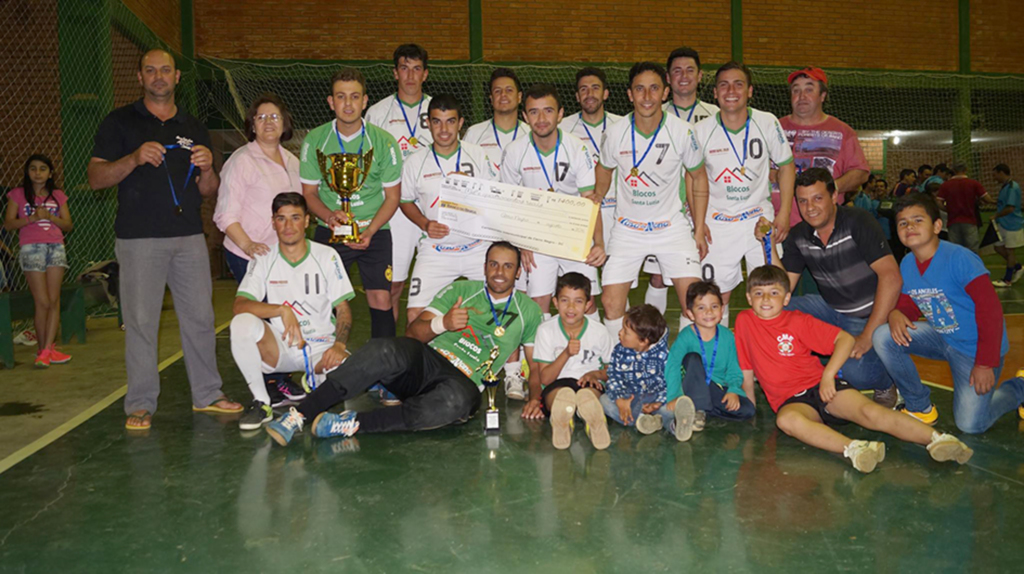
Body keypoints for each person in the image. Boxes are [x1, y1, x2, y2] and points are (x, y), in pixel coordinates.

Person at [88, 49, 242, 430]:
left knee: (201, 318)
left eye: (166, 70)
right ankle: (140, 403)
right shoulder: (119, 122)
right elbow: (96, 178)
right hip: (139, 239)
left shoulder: (192, 126)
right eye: (151, 70)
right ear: (140, 77)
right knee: (141, 322)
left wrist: (208, 168)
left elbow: (209, 191)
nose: (159, 76)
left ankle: (207, 394)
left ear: (176, 78)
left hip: (188, 236)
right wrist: (134, 158)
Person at [265, 242, 544, 445]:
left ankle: (350, 423)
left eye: (508, 266)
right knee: (385, 349)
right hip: (427, 364)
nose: (499, 271)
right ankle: (300, 414)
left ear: (518, 272)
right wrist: (442, 324)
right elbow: (413, 334)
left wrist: (535, 398)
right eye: (493, 264)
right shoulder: (461, 290)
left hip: (464, 382)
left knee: (454, 403)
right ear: (484, 267)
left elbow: (534, 365)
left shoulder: (528, 311)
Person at [735, 265, 974, 473]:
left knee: (869, 413)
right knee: (787, 422)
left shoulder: (798, 321)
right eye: (759, 293)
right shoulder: (744, 322)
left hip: (821, 387)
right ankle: (855, 449)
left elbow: (845, 340)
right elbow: (746, 367)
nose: (766, 299)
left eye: (774, 293)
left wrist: (828, 376)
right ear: (748, 297)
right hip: (791, 400)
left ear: (787, 298)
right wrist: (750, 406)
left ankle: (938, 439)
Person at [872, 193, 1024, 433]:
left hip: (975, 348)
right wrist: (897, 313)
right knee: (883, 336)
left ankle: (1020, 387)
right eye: (903, 223)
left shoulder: (960, 258)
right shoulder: (908, 263)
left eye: (917, 220)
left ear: (937, 226)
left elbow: (990, 311)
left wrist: (985, 363)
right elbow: (911, 300)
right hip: (943, 337)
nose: (909, 226)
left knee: (971, 425)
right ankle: (919, 406)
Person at [757, 168, 902, 405]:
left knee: (856, 374)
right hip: (830, 309)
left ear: (834, 196)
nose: (810, 207)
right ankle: (791, 369)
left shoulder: (858, 221)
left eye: (818, 198)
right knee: (772, 308)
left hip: (866, 315)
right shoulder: (799, 235)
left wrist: (866, 336)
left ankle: (886, 381)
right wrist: (768, 243)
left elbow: (891, 277)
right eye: (803, 201)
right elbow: (781, 290)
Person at [591, 61, 709, 339]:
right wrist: (599, 192)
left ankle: (691, 361)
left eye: (654, 88)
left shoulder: (683, 131)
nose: (646, 96)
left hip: (671, 227)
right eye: (639, 89)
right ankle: (620, 363)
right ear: (630, 94)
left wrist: (700, 228)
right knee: (610, 302)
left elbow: (699, 176)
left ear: (665, 92)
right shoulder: (616, 132)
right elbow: (605, 169)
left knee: (694, 302)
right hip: (628, 228)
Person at [230, 193, 355, 430]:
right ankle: (261, 402)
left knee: (348, 374)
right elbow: (240, 305)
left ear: (307, 221)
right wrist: (281, 310)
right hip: (280, 347)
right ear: (273, 222)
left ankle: (314, 379)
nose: (288, 226)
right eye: (281, 219)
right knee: (242, 323)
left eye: (295, 218)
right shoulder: (263, 258)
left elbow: (343, 309)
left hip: (320, 347)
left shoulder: (327, 256)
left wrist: (339, 345)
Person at [300, 67, 402, 340]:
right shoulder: (315, 140)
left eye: (354, 97)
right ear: (331, 102)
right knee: (325, 302)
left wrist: (369, 231)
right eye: (341, 97)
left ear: (365, 101)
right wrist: (330, 217)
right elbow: (309, 193)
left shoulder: (384, 142)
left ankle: (385, 369)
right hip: (329, 230)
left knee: (382, 299)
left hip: (375, 230)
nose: (348, 104)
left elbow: (393, 197)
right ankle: (327, 364)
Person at [694, 61, 796, 326]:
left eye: (738, 84)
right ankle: (716, 357)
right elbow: (692, 177)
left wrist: (783, 213)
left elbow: (786, 165)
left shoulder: (766, 121)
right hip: (718, 224)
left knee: (769, 292)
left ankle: (768, 360)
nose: (731, 90)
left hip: (758, 221)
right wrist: (698, 222)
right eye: (724, 85)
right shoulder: (701, 130)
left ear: (750, 91)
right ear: (714, 93)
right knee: (716, 297)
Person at [500, 83, 606, 319]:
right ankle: (539, 354)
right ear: (525, 116)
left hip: (574, 233)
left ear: (560, 114)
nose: (541, 118)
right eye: (534, 112)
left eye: (548, 111)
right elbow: (509, 203)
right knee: (537, 305)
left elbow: (590, 202)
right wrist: (521, 241)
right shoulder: (515, 151)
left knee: (585, 302)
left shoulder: (577, 149)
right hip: (536, 236)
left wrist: (599, 243)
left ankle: (592, 353)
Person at [400, 94, 498, 324]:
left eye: (450, 121)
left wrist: (471, 187)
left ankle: (502, 360)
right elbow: (404, 201)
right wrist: (425, 224)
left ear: (461, 123)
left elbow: (495, 199)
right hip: (437, 251)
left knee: (497, 311)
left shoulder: (478, 155)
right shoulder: (415, 162)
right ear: (428, 123)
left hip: (477, 249)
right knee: (415, 315)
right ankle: (424, 361)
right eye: (437, 121)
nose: (444, 129)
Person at [365, 44, 433, 325]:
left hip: (432, 209)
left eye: (416, 69)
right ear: (395, 73)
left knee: (432, 291)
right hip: (395, 212)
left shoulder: (438, 109)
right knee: (394, 287)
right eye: (404, 68)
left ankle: (426, 357)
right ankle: (392, 354)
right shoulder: (377, 114)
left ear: (425, 74)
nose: (410, 76)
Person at [214, 93, 300, 283]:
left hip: (283, 256)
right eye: (261, 117)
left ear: (284, 123)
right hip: (248, 256)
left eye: (274, 116)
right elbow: (225, 215)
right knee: (260, 311)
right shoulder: (241, 161)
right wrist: (248, 245)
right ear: (253, 126)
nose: (268, 121)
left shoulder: (294, 162)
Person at [775, 66, 870, 224]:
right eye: (796, 90)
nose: (802, 96)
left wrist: (829, 188)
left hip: (822, 228)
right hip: (775, 226)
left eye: (809, 90)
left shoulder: (843, 132)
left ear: (823, 95)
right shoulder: (772, 128)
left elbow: (860, 173)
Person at [3, 154, 73, 367]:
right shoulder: (17, 195)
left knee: (53, 300)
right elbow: (8, 224)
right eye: (33, 168)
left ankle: (47, 349)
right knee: (42, 301)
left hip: (55, 247)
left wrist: (51, 217)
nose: (38, 172)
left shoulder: (58, 196)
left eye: (43, 168)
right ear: (27, 172)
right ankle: (43, 349)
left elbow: (68, 225)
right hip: (31, 248)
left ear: (50, 173)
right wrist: (31, 219)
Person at [533, 272, 613, 450]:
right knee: (562, 397)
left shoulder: (599, 331)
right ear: (555, 302)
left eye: (578, 301)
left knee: (588, 396)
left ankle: (594, 422)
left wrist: (595, 374)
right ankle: (562, 421)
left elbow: (611, 371)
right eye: (564, 300)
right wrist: (566, 354)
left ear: (588, 305)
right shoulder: (546, 330)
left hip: (589, 382)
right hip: (558, 383)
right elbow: (545, 379)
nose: (571, 307)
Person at [665, 281, 755, 432]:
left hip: (716, 388)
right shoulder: (686, 336)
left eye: (714, 306)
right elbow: (672, 366)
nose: (709, 312)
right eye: (701, 308)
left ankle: (700, 409)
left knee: (748, 410)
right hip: (691, 387)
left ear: (722, 309)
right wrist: (675, 395)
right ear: (690, 314)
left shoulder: (728, 336)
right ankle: (698, 408)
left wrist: (733, 390)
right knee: (692, 358)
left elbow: (734, 367)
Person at [599, 304, 697, 440]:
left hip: (655, 398)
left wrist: (658, 402)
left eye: (625, 332)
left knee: (667, 409)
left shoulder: (664, 357)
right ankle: (643, 421)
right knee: (605, 401)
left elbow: (670, 384)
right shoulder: (619, 351)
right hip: (630, 398)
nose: (619, 333)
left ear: (643, 341)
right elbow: (614, 377)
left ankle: (674, 425)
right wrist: (620, 398)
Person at [560, 67, 622, 252]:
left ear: (605, 94)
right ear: (577, 96)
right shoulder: (562, 129)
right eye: (583, 89)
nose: (589, 94)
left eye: (595, 88)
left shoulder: (622, 125)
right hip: (580, 214)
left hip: (618, 212)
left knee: (619, 277)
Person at [463, 68, 530, 169]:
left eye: (509, 90)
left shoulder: (531, 133)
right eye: (497, 91)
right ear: (491, 98)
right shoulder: (474, 134)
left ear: (519, 97)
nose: (503, 95)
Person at [935, 162, 987, 253]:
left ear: (953, 171)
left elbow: (938, 201)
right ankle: (971, 266)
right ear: (966, 170)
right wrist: (996, 202)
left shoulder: (946, 185)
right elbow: (985, 198)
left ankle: (957, 266)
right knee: (972, 249)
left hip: (953, 220)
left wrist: (947, 210)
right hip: (970, 219)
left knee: (954, 249)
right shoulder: (973, 183)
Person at [663, 47, 719, 124]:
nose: (684, 76)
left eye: (690, 70)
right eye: (677, 71)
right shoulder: (657, 114)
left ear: (699, 76)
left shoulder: (715, 114)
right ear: (668, 78)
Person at [991, 163, 1024, 287]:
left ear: (1001, 173)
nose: (994, 178)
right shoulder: (1005, 187)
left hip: (1012, 224)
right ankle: (1018, 267)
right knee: (998, 247)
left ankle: (1007, 280)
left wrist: (996, 215)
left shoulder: (1012, 187)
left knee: (1010, 251)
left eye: (995, 175)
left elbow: (1010, 208)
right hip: (1003, 224)